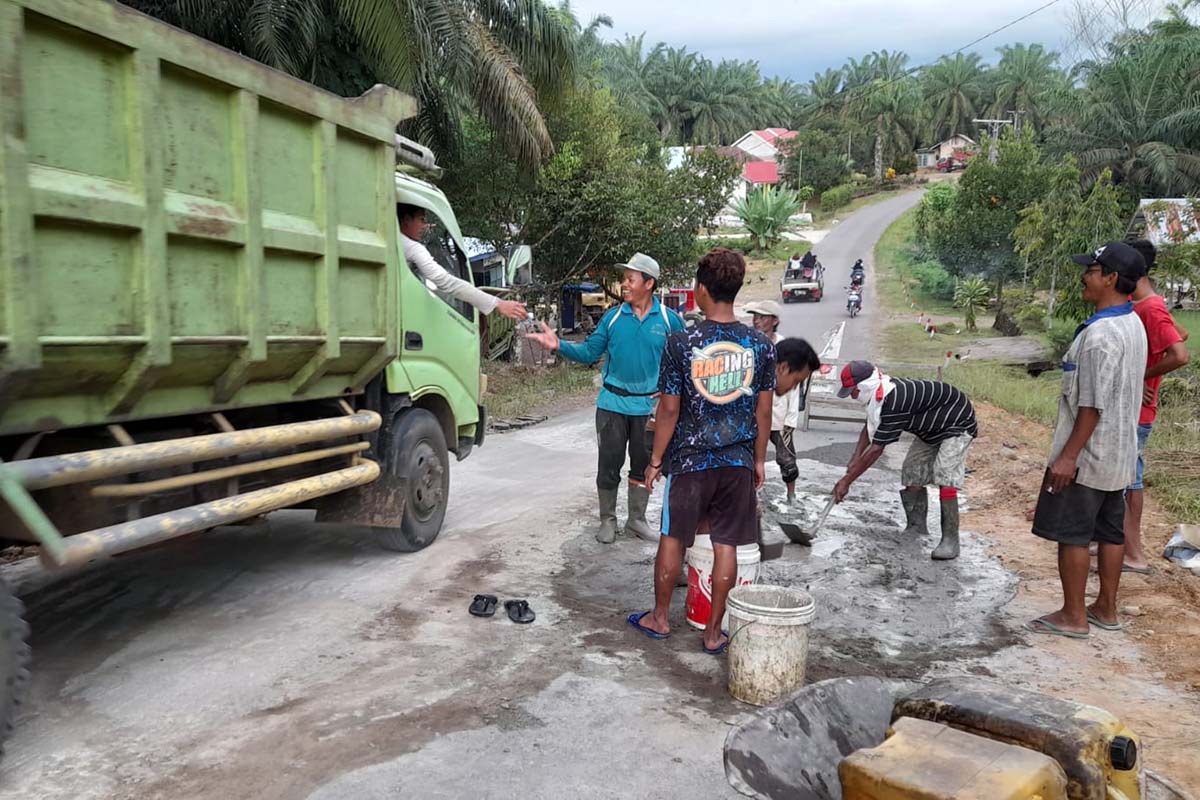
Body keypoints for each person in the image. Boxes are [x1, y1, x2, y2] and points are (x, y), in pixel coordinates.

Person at [626, 248, 778, 655]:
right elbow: (764, 411)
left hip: (690, 462)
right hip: (738, 462)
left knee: (674, 537)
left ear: (702, 290)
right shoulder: (760, 345)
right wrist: (759, 460)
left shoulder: (682, 342)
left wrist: (655, 461)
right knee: (726, 544)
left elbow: (670, 409)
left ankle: (659, 618)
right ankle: (713, 633)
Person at [1027, 241, 1147, 639]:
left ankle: (1073, 615)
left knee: (1072, 534)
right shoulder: (1133, 324)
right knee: (1111, 532)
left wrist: (1067, 457)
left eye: (1092, 271)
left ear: (1111, 278)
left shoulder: (1099, 337)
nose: (1084, 276)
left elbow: (1090, 406)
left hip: (1089, 454)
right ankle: (1106, 608)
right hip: (1120, 453)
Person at [526, 253, 685, 543]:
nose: (624, 284)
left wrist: (673, 392)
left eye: (630, 279)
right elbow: (589, 352)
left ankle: (636, 520)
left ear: (649, 283)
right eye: (624, 278)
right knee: (609, 464)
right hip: (612, 404)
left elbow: (684, 359)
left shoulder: (668, 320)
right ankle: (607, 520)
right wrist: (558, 345)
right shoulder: (612, 318)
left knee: (643, 464)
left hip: (649, 410)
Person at [832, 361, 978, 560]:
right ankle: (916, 527)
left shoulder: (893, 399)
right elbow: (870, 425)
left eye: (853, 391)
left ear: (865, 385)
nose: (852, 395)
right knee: (911, 472)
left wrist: (846, 482)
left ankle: (950, 541)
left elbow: (876, 450)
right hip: (930, 430)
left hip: (957, 423)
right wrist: (855, 457)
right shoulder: (879, 396)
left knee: (945, 474)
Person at [1121, 239, 1190, 574]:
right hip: (1134, 408)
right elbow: (1184, 334)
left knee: (1129, 480)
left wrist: (1142, 378)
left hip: (1138, 410)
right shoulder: (1149, 306)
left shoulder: (1150, 308)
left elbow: (1180, 353)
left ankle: (1133, 553)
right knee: (1123, 478)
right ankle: (1117, 541)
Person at [744, 300, 821, 502]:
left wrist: (791, 419)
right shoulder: (747, 346)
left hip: (779, 415)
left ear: (775, 321)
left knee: (786, 457)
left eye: (763, 317)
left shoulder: (786, 348)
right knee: (747, 457)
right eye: (755, 317)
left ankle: (791, 494)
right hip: (754, 416)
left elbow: (793, 393)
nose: (757, 321)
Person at [398, 204, 527, 321]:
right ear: (406, 220)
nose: (425, 226)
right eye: (422, 220)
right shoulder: (413, 248)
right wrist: (497, 303)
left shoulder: (398, 242)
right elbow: (445, 281)